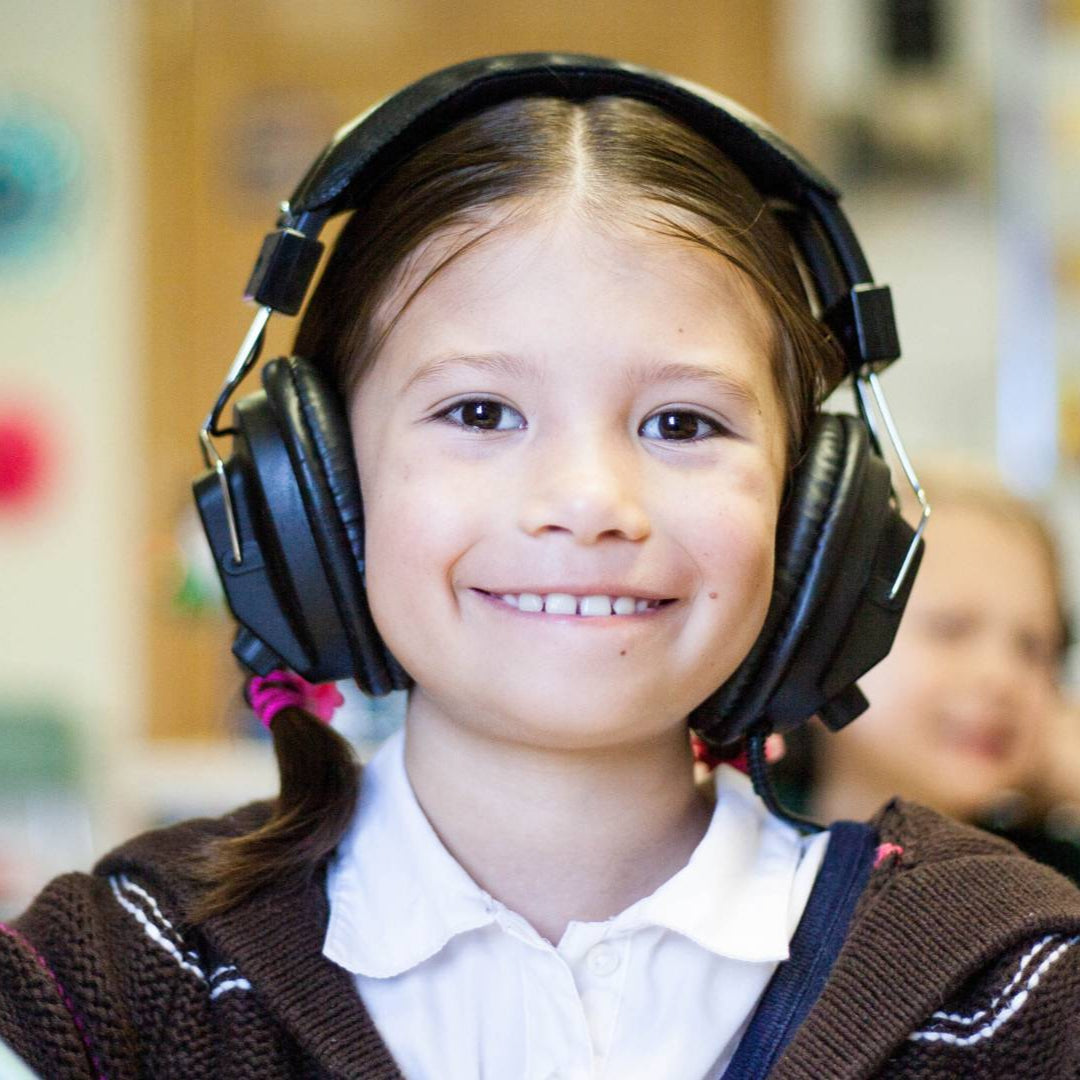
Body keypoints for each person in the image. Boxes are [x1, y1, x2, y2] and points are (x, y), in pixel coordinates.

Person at [2, 54, 1079, 1079]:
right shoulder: (127, 979)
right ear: (313, 488)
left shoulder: (1011, 989)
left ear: (815, 510)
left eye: (682, 421)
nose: (590, 502)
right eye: (480, 411)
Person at [778, 463, 1080, 879]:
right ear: (817, 652)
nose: (1002, 677)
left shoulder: (1057, 887)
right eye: (950, 629)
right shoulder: (730, 851)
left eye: (1033, 648)